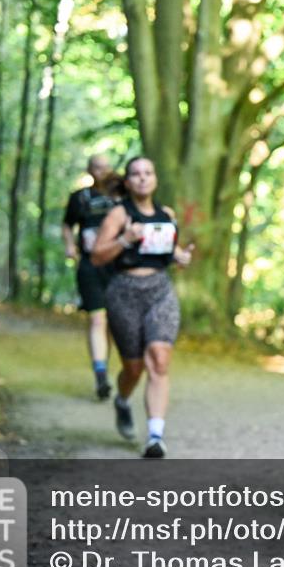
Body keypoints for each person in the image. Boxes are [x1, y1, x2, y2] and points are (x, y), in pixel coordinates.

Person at [91, 157, 193, 458]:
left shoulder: (166, 214)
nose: (143, 179)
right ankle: (122, 400)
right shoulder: (119, 214)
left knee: (159, 359)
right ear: (128, 181)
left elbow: (166, 248)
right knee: (133, 368)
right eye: (136, 174)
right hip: (124, 292)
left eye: (148, 173)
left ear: (155, 179)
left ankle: (155, 436)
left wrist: (180, 257)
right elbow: (97, 256)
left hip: (160, 290)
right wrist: (124, 239)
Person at [63, 154, 125, 400]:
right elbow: (67, 224)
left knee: (113, 323)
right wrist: (69, 245)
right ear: (89, 170)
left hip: (119, 267)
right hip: (90, 265)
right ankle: (100, 375)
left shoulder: (122, 195)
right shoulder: (79, 197)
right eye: (97, 168)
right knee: (98, 320)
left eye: (106, 167)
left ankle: (109, 368)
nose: (102, 172)